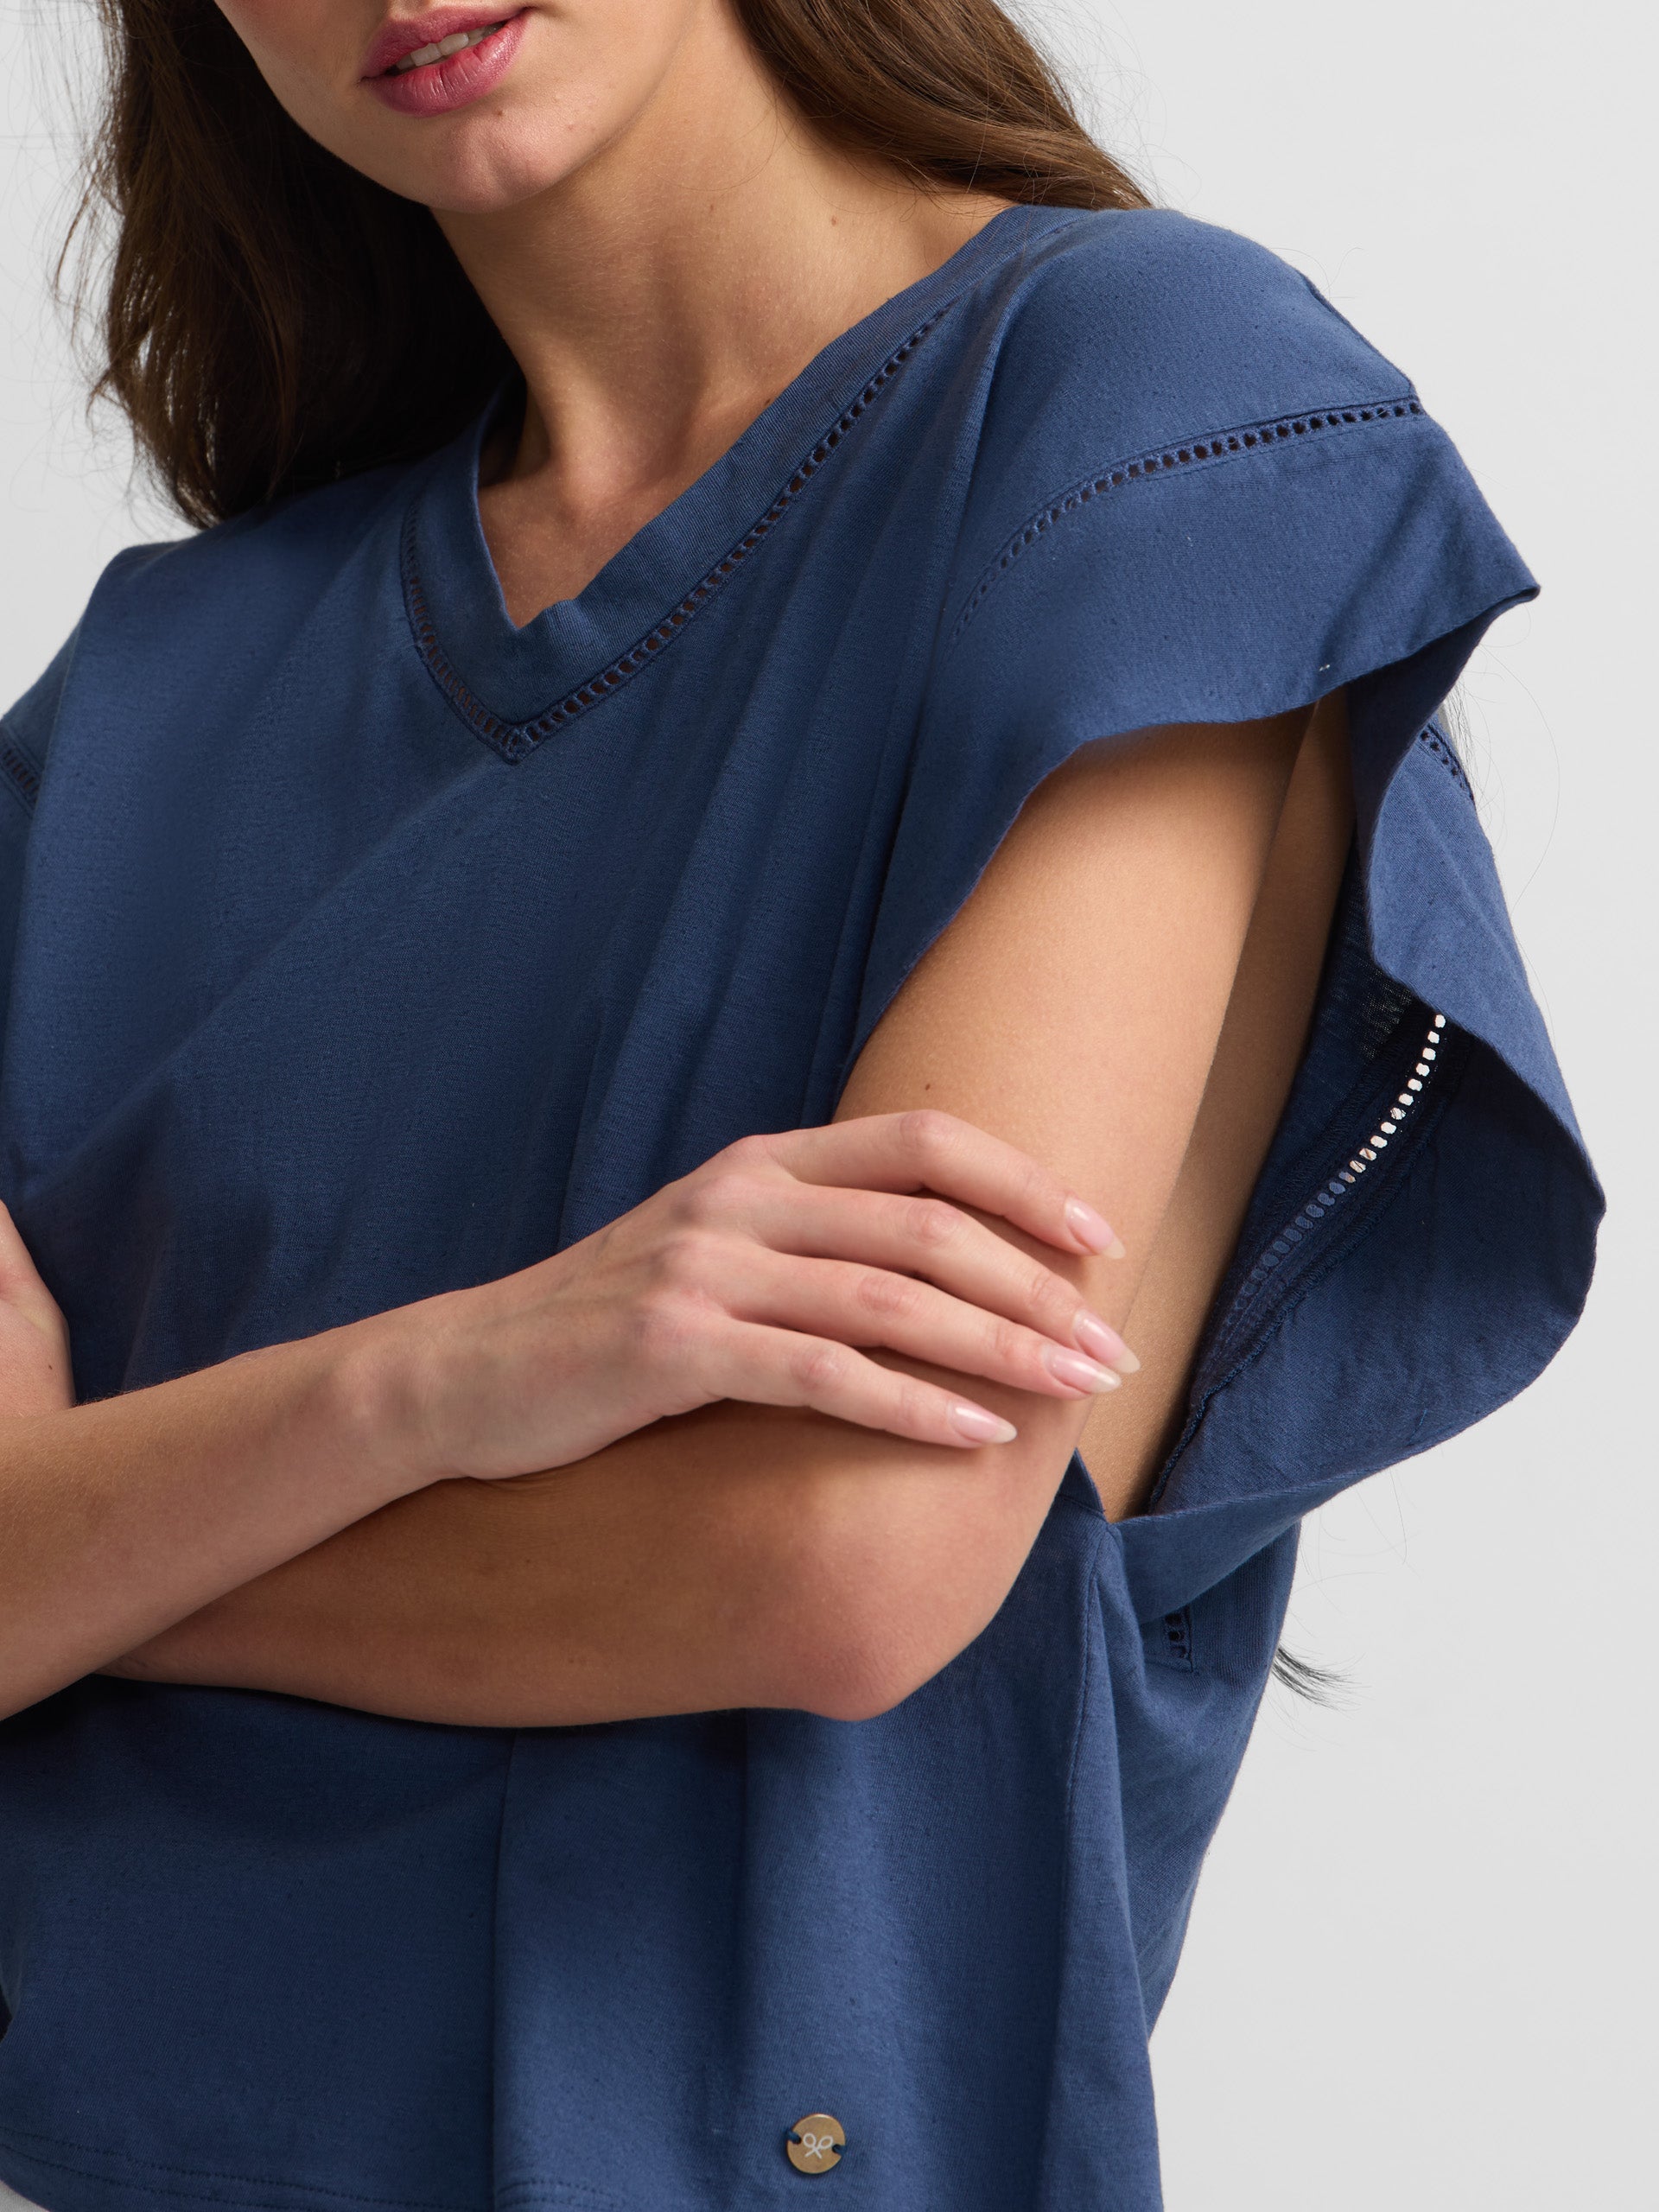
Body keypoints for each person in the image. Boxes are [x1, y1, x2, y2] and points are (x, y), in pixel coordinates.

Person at [0, 2, 1600, 2207]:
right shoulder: (138, 704)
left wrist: (101, 1552)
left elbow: (842, 1549)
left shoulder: (1139, 406)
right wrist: (438, 1383)